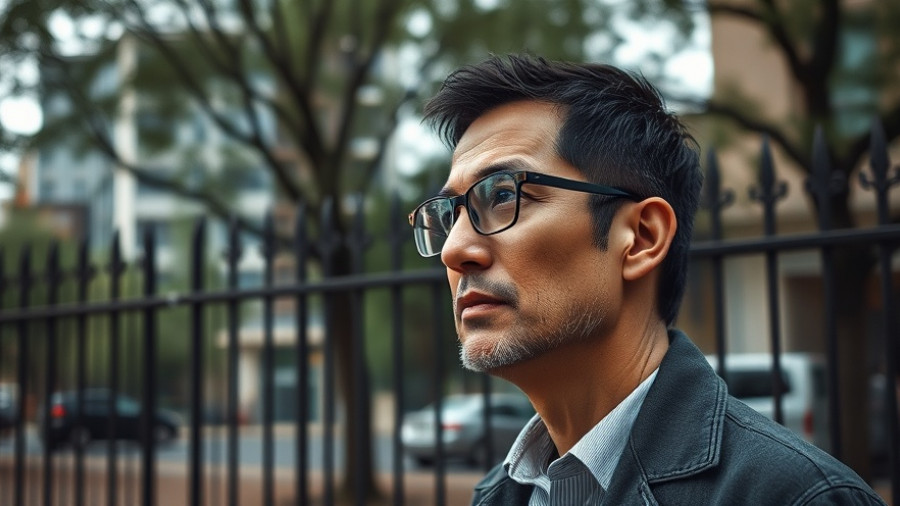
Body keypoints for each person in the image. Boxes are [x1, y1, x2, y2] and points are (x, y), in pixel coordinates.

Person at [408, 54, 886, 505]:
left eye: (503, 195)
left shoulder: (794, 496)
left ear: (640, 237)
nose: (454, 250)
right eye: (450, 215)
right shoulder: (501, 493)